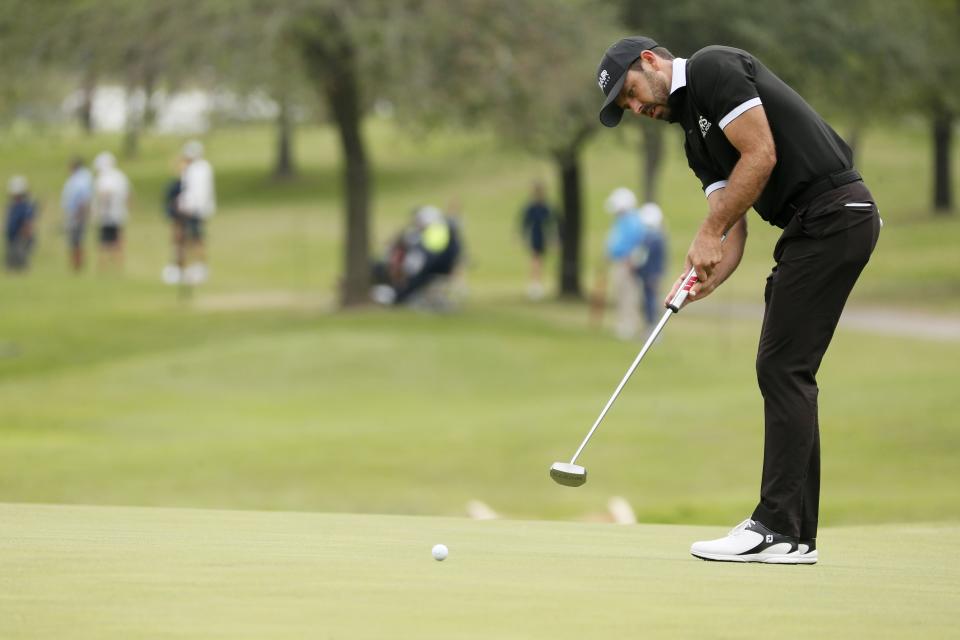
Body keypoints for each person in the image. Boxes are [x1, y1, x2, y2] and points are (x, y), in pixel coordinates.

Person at [597, 36, 881, 563]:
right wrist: (703, 276)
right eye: (627, 108)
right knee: (786, 369)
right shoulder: (693, 142)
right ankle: (795, 534)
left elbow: (762, 154)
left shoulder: (711, 68)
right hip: (810, 229)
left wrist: (708, 231)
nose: (637, 108)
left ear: (650, 62)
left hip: (835, 213)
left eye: (631, 93)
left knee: (782, 367)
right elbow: (734, 233)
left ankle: (776, 526)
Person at [371, 205, 462, 308]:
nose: (417, 224)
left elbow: (427, 256)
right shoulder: (440, 230)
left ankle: (396, 296)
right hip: (434, 267)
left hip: (433, 269)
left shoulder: (436, 232)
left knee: (411, 278)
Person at [603, 187, 647, 340]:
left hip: (626, 264)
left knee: (629, 294)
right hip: (619, 262)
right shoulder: (622, 220)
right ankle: (623, 323)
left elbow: (637, 244)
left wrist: (630, 260)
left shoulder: (633, 221)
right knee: (621, 293)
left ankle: (629, 325)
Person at [176, 140, 216, 284]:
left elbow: (198, 192)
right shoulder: (200, 167)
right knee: (194, 239)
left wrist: (189, 208)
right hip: (196, 209)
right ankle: (196, 268)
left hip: (194, 210)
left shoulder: (197, 169)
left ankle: (198, 268)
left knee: (195, 239)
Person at [91, 151, 130, 271]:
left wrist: (101, 211)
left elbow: (104, 194)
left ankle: (104, 268)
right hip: (119, 215)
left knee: (104, 243)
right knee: (117, 241)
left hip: (107, 215)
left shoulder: (104, 178)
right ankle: (118, 268)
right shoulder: (121, 176)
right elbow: (129, 195)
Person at [519, 181, 555, 300]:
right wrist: (523, 237)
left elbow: (550, 223)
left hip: (542, 235)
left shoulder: (545, 206)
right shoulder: (531, 207)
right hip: (535, 235)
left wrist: (552, 238)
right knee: (535, 260)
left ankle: (537, 284)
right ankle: (535, 285)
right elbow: (525, 223)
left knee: (539, 261)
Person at [634, 202, 668, 327]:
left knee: (651, 302)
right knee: (648, 301)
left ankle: (652, 326)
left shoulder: (654, 238)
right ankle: (649, 325)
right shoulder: (656, 235)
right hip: (649, 274)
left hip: (652, 275)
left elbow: (645, 257)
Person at [60, 157, 93, 272]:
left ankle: (78, 266)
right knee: (74, 242)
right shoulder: (78, 179)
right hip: (74, 216)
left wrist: (79, 215)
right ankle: (75, 265)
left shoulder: (80, 181)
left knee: (77, 242)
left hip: (77, 216)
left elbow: (83, 200)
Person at [5, 176, 37, 272]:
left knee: (20, 262)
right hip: (12, 237)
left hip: (20, 237)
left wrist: (25, 236)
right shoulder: (14, 205)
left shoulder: (25, 206)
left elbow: (27, 222)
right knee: (12, 262)